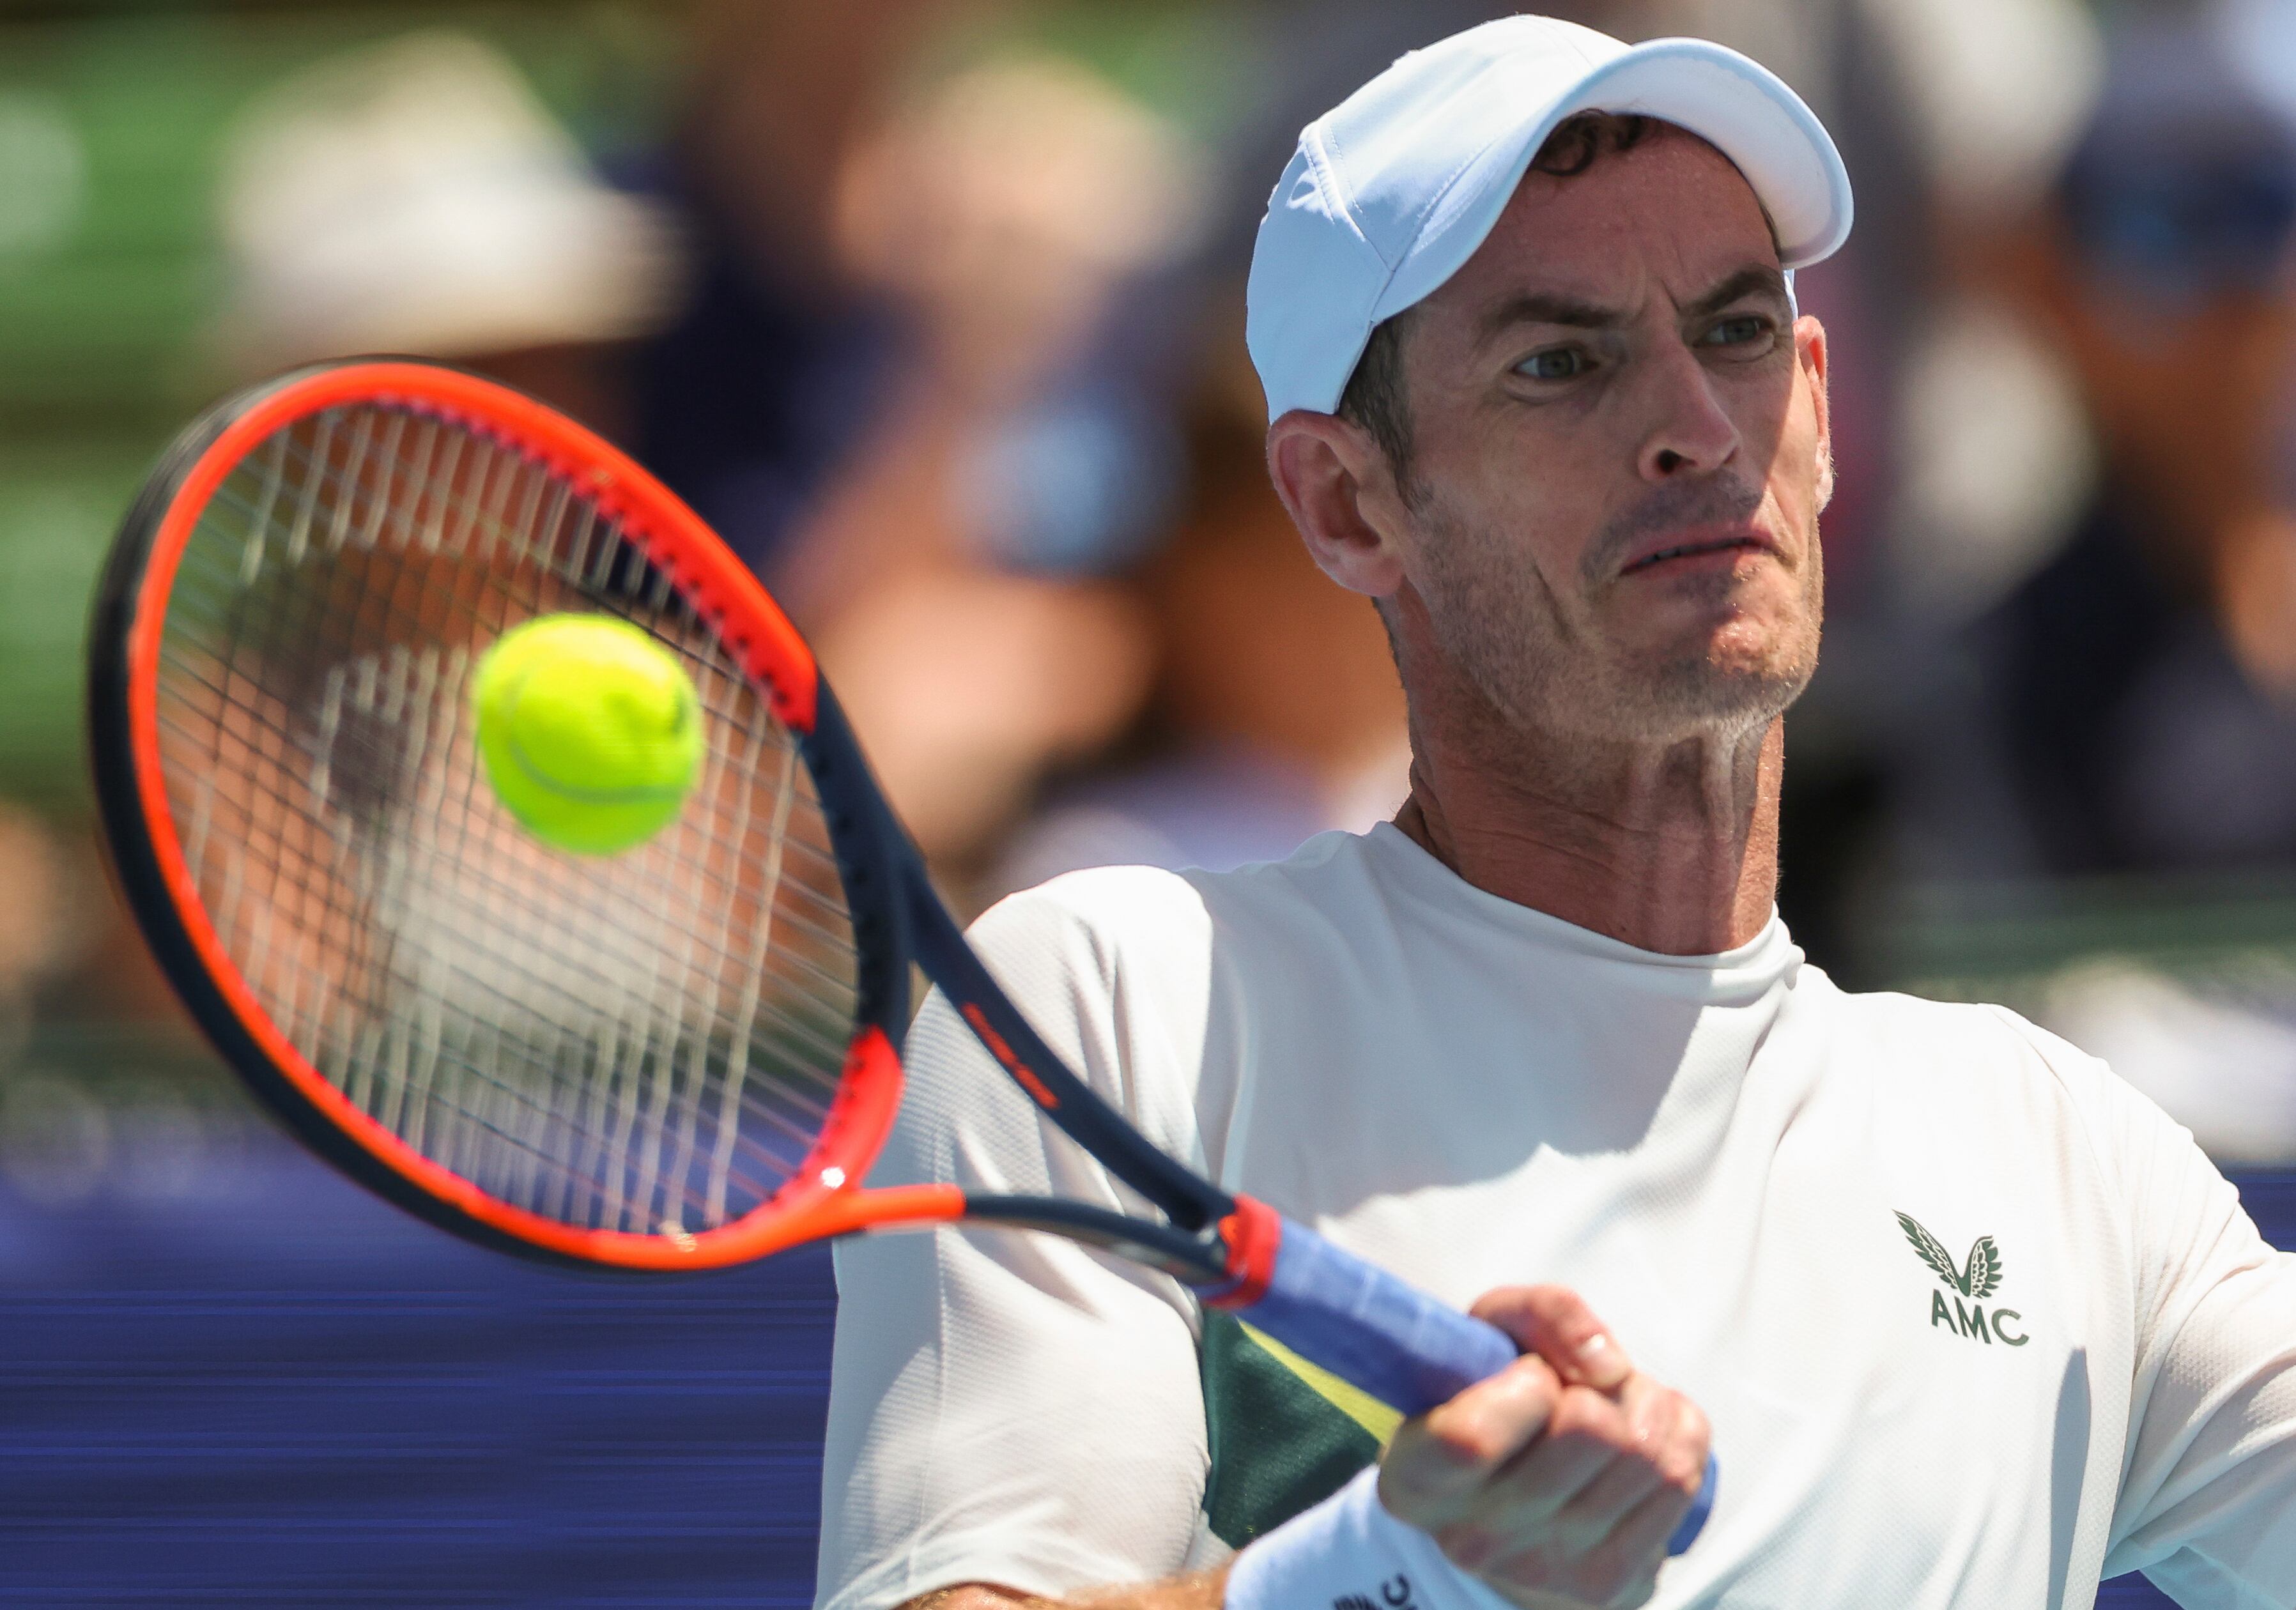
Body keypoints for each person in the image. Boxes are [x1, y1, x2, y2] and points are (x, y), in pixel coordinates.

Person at [817, 17, 2296, 1610]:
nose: (1692, 425)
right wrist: (1380, 1577)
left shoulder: (2057, 1151)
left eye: (1736, 333)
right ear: (1343, 499)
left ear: (1816, 409)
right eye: (1560, 363)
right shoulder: (1114, 1009)